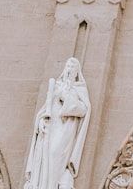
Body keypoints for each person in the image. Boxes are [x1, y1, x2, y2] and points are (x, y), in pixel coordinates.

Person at [24, 57, 92, 189]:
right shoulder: (56, 87)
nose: (69, 70)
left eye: (72, 67)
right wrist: (41, 121)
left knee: (55, 154)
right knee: (44, 158)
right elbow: (45, 110)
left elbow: (84, 109)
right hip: (50, 127)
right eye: (67, 66)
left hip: (65, 130)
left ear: (77, 72)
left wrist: (66, 99)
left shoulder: (78, 89)